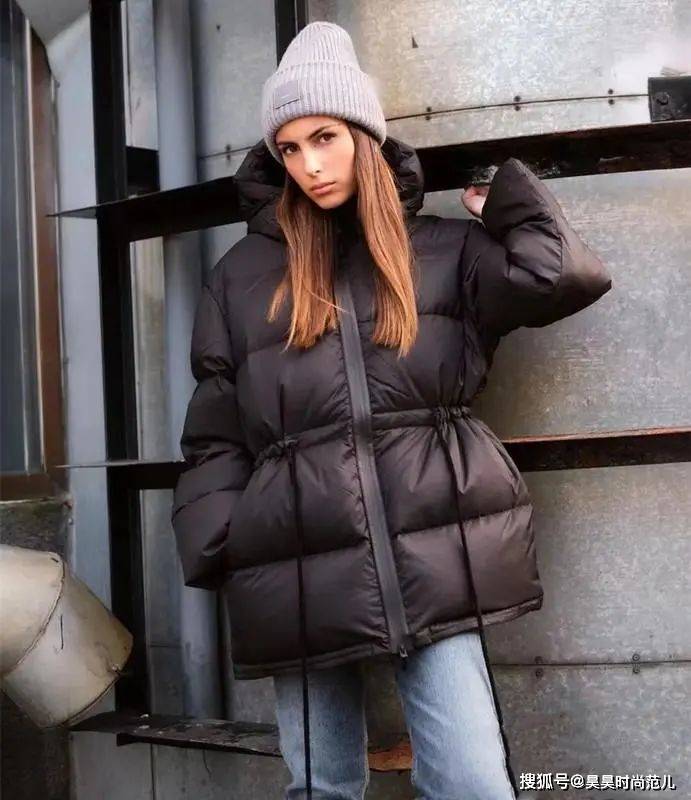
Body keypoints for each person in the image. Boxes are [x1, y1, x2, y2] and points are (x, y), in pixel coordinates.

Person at [171, 20, 612, 800]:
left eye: (325, 138)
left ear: (364, 138)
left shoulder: (444, 249)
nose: (309, 165)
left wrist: (506, 204)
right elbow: (216, 428)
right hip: (292, 561)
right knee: (323, 789)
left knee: (473, 783)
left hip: (430, 557)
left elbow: (560, 278)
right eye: (289, 148)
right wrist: (224, 545)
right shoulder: (241, 276)